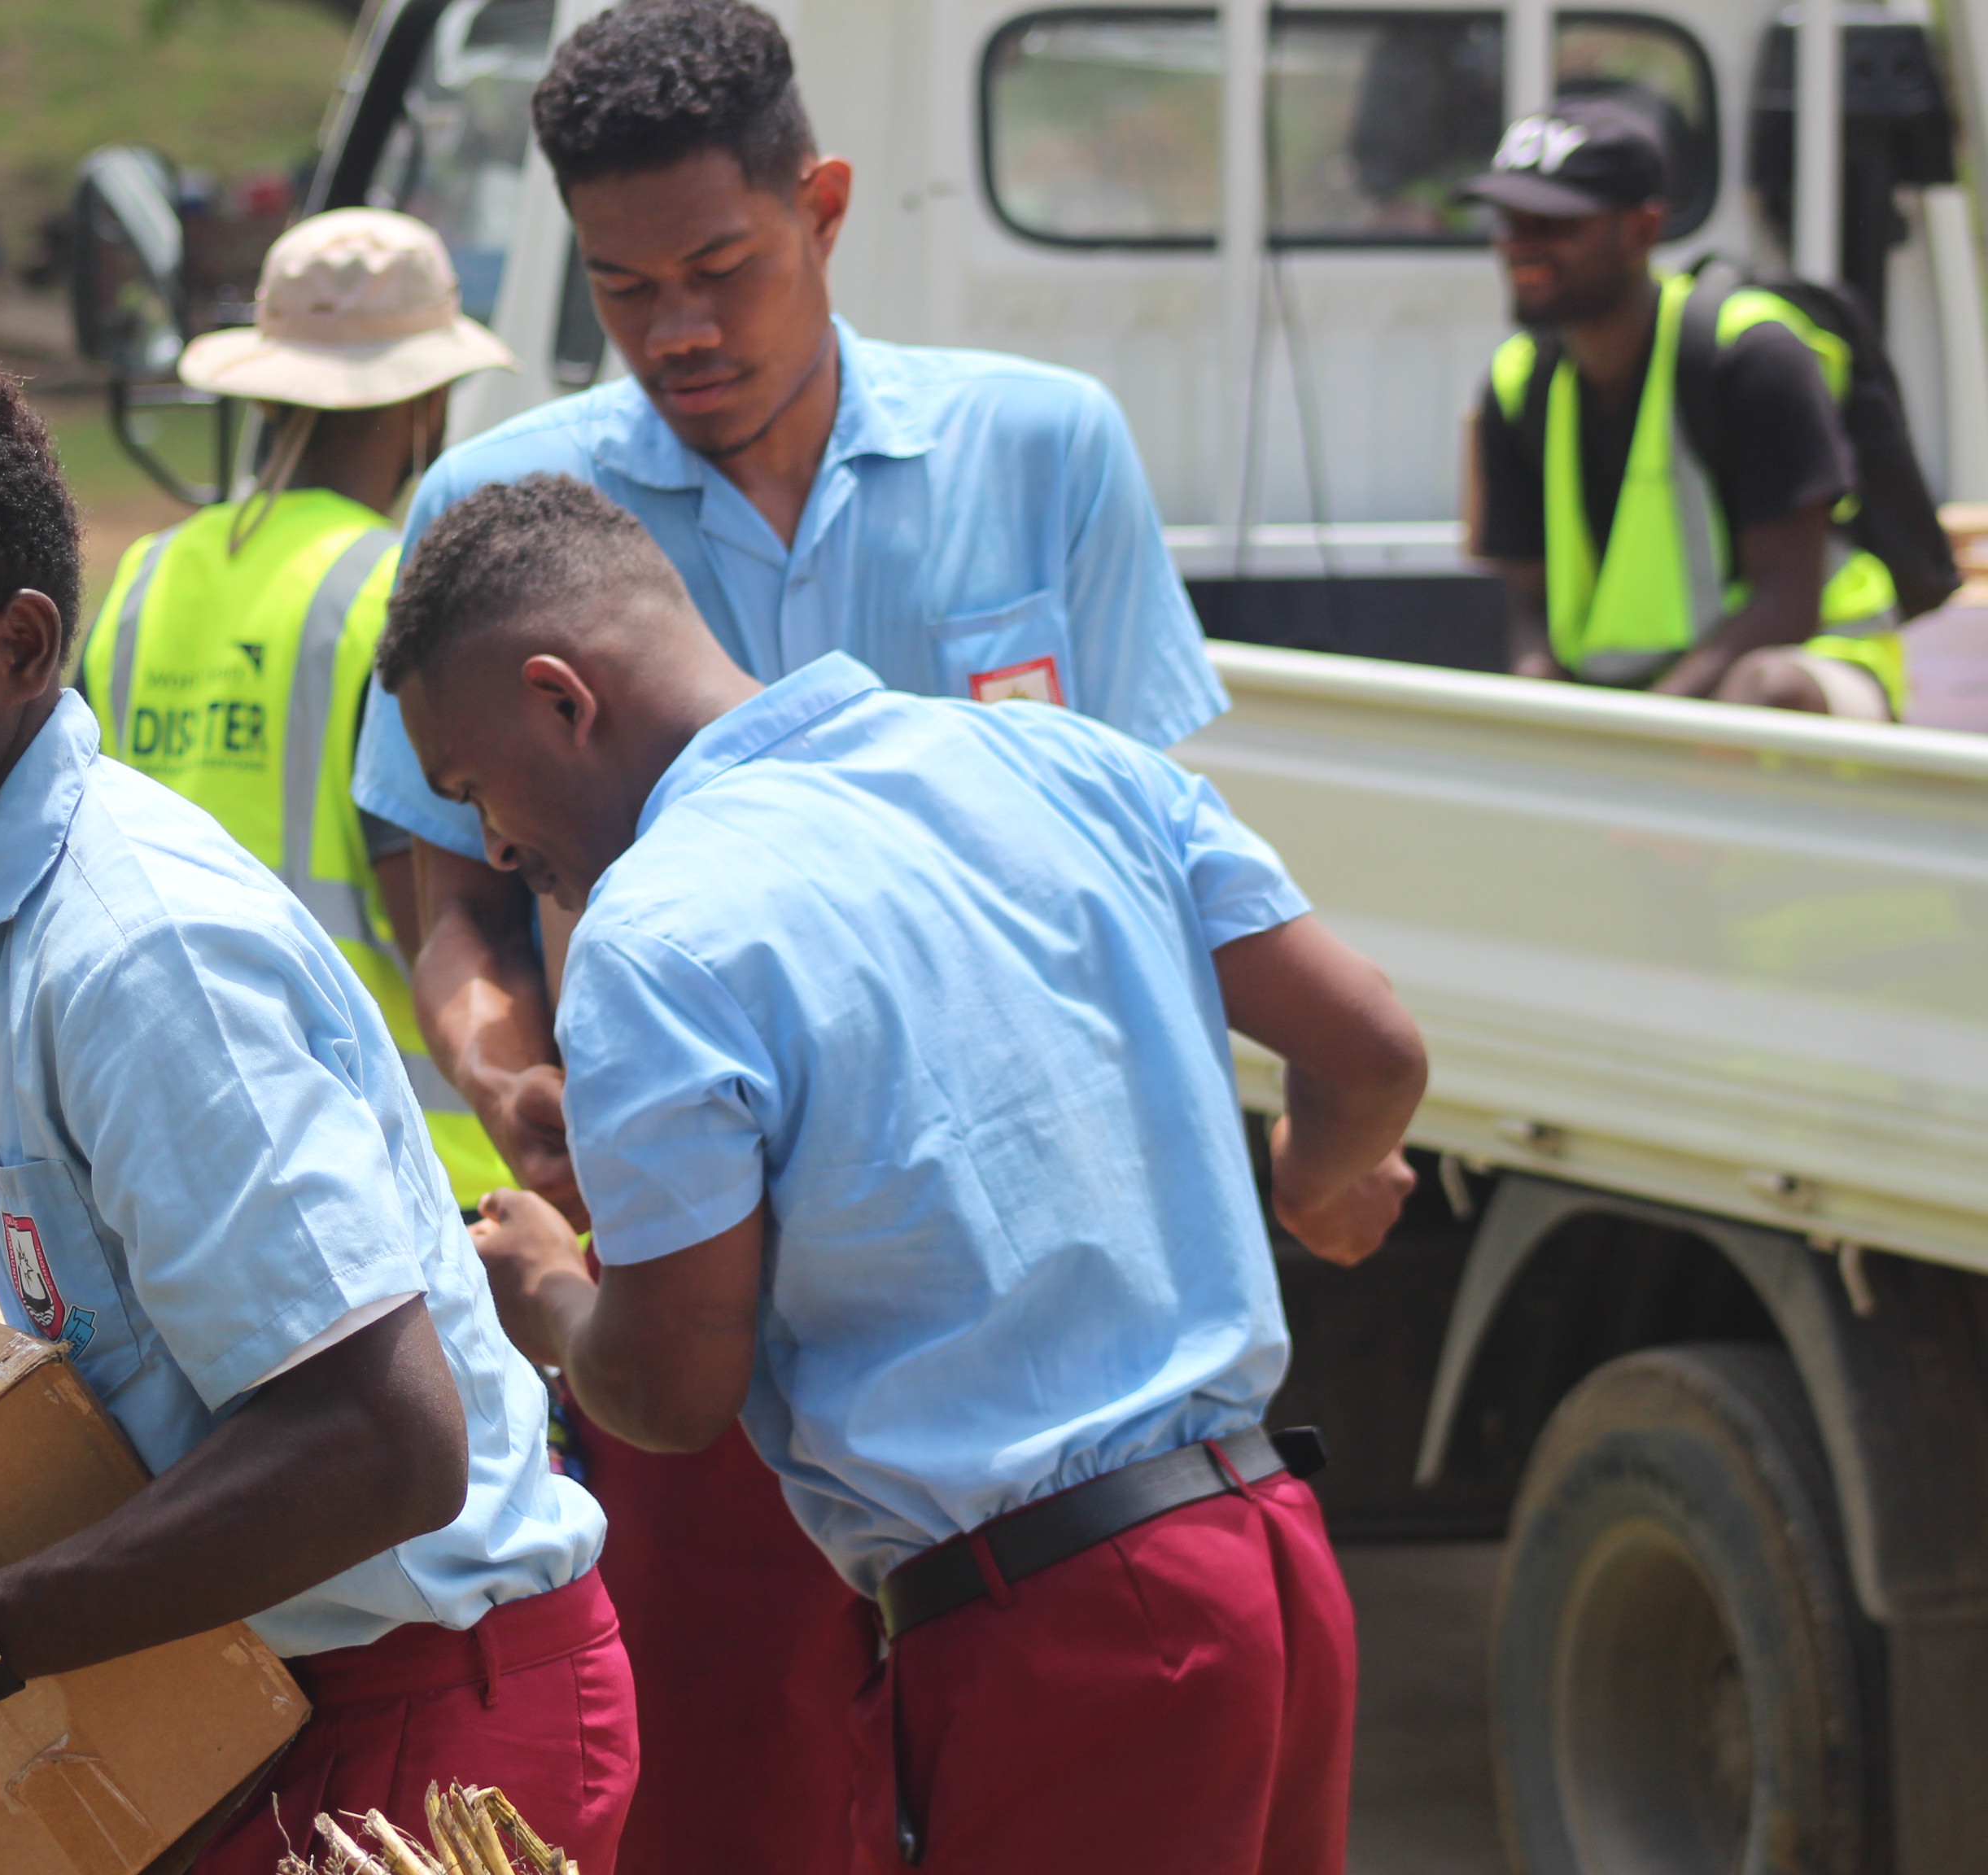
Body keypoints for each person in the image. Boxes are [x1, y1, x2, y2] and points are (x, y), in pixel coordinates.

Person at [347, 3, 1225, 1866]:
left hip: (1017, 1294)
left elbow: (1144, 863)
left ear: (820, 208)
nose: (674, 330)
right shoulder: (503, 524)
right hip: (689, 1266)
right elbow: (448, 900)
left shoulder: (1042, 451)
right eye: (620, 285)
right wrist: (519, 1086)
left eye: (720, 269)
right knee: (726, 1781)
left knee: (1039, 1750)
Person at [387, 473, 1427, 1875]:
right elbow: (1370, 1050)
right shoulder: (1064, 761)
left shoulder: (659, 927)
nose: (497, 846)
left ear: (564, 698)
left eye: (473, 787)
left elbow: (671, 1390)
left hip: (1059, 1639)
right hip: (1269, 1556)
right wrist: (1310, 1178)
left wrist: (550, 1294)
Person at [0, 334, 628, 1875]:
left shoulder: (133, 953)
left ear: (19, 642)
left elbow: (385, 1440)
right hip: (256, 1688)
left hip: (434, 1717)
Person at [81, 208, 517, 1215]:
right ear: (425, 400)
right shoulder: (396, 586)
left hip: (180, 1137)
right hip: (394, 1159)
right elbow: (426, 903)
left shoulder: (146, 579)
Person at [1466, 96, 1907, 718]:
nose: (1520, 248)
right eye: (1510, 223)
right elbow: (1530, 609)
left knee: (1766, 689)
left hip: (1814, 668)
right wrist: (1545, 720)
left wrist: (1645, 736)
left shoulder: (1752, 356)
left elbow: (1787, 601)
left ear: (1642, 229)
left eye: (1555, 224)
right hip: (1634, 701)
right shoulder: (1516, 382)